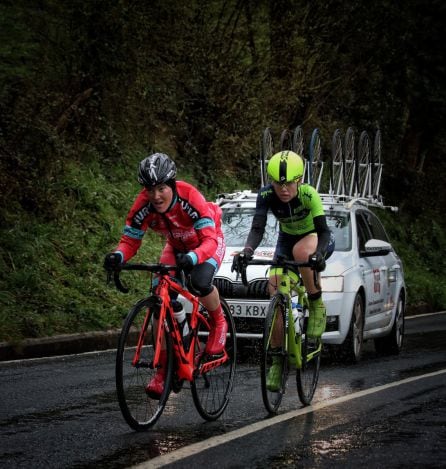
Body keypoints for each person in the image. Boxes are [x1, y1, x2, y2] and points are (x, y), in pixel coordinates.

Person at [104, 152, 227, 398]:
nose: (156, 196)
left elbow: (210, 241)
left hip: (206, 244)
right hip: (176, 247)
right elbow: (130, 240)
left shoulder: (190, 197)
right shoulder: (143, 205)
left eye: (161, 188)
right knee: (160, 300)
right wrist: (118, 256)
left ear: (171, 184)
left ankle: (219, 322)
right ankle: (163, 370)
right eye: (150, 190)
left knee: (199, 282)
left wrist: (193, 257)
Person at [232, 150, 334, 391]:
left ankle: (316, 301)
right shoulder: (266, 195)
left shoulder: (309, 195)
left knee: (303, 253)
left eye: (289, 182)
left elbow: (325, 232)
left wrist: (317, 255)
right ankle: (277, 360)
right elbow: (257, 228)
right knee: (275, 289)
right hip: (286, 241)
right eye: (278, 183)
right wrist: (247, 250)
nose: (284, 188)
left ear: (299, 180)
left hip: (315, 239)